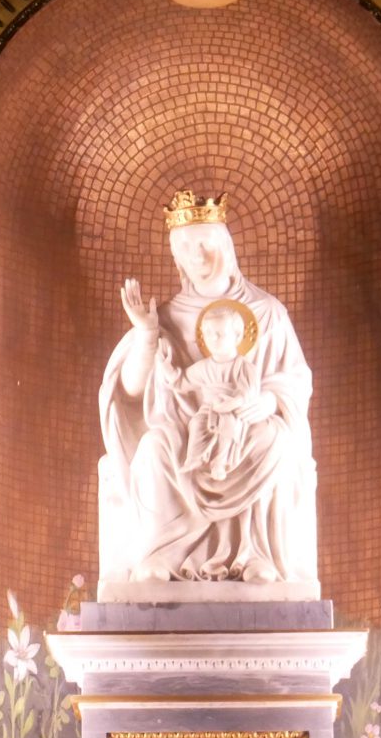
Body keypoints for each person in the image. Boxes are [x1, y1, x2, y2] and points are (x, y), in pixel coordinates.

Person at [98, 190, 318, 587]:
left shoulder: (268, 313)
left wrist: (268, 401)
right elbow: (128, 393)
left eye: (205, 244)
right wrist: (146, 335)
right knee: (152, 450)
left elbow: (296, 379)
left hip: (247, 428)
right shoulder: (164, 317)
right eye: (185, 248)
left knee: (276, 442)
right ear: (176, 258)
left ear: (226, 246)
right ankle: (163, 552)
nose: (197, 256)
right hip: (184, 434)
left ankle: (255, 555)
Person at [155, 304, 261, 483]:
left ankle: (220, 462)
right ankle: (194, 458)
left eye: (220, 334)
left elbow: (249, 390)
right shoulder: (203, 368)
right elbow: (183, 382)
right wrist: (168, 370)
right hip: (209, 408)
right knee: (196, 423)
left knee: (228, 426)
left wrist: (234, 402)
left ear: (237, 336)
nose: (213, 339)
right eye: (208, 334)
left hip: (233, 410)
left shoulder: (243, 367)